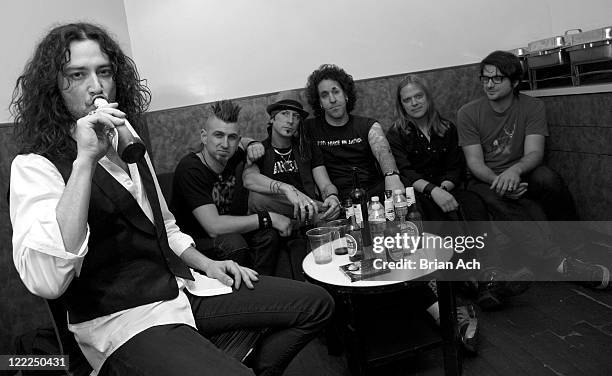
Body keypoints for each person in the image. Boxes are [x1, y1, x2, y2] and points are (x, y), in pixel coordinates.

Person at [9, 22, 333, 376]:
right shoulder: (35, 167)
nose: (96, 86)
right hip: (123, 322)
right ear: (54, 88)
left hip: (181, 290)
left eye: (103, 72)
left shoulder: (130, 147)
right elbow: (47, 282)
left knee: (316, 303)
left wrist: (206, 264)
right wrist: (84, 161)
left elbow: (166, 227)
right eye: (76, 74)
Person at [457, 50, 609, 289]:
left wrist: (515, 172)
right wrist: (501, 181)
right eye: (485, 78)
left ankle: (579, 252)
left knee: (548, 177)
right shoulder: (468, 113)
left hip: (521, 171)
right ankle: (559, 263)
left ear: (515, 81)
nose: (489, 84)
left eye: (497, 78)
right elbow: (475, 163)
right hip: (485, 178)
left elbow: (535, 153)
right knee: (494, 197)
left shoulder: (532, 106)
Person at [387, 75, 533, 310]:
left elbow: (455, 166)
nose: (414, 103)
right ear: (401, 104)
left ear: (428, 97)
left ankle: (489, 276)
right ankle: (469, 283)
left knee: (473, 203)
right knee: (439, 215)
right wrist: (434, 191)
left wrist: (446, 187)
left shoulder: (446, 127)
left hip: (448, 187)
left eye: (418, 96)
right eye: (407, 100)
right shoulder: (395, 133)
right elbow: (404, 172)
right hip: (419, 193)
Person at [171, 99, 290, 275]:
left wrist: (252, 144)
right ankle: (235, 296)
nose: (225, 144)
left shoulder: (233, 155)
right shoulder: (190, 168)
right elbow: (214, 227)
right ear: (204, 137)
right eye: (218, 135)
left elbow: (244, 143)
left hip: (229, 230)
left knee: (268, 235)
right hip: (195, 241)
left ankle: (262, 288)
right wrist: (269, 217)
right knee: (234, 243)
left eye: (231, 137)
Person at [302, 64, 404, 199]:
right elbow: (283, 130)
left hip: (373, 195)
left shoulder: (368, 125)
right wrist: (263, 146)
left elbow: (383, 152)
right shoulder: (310, 127)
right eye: (325, 95)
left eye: (336, 91)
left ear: (345, 94)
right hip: (336, 200)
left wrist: (391, 176)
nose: (332, 99)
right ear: (320, 102)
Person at [243, 91, 341, 225]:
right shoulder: (261, 149)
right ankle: (314, 213)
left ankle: (311, 215)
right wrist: (288, 189)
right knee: (257, 198)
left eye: (296, 116)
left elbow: (325, 185)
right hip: (278, 217)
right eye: (285, 114)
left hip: (308, 211)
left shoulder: (307, 148)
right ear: (272, 119)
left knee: (331, 211)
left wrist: (332, 197)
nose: (290, 121)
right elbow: (249, 179)